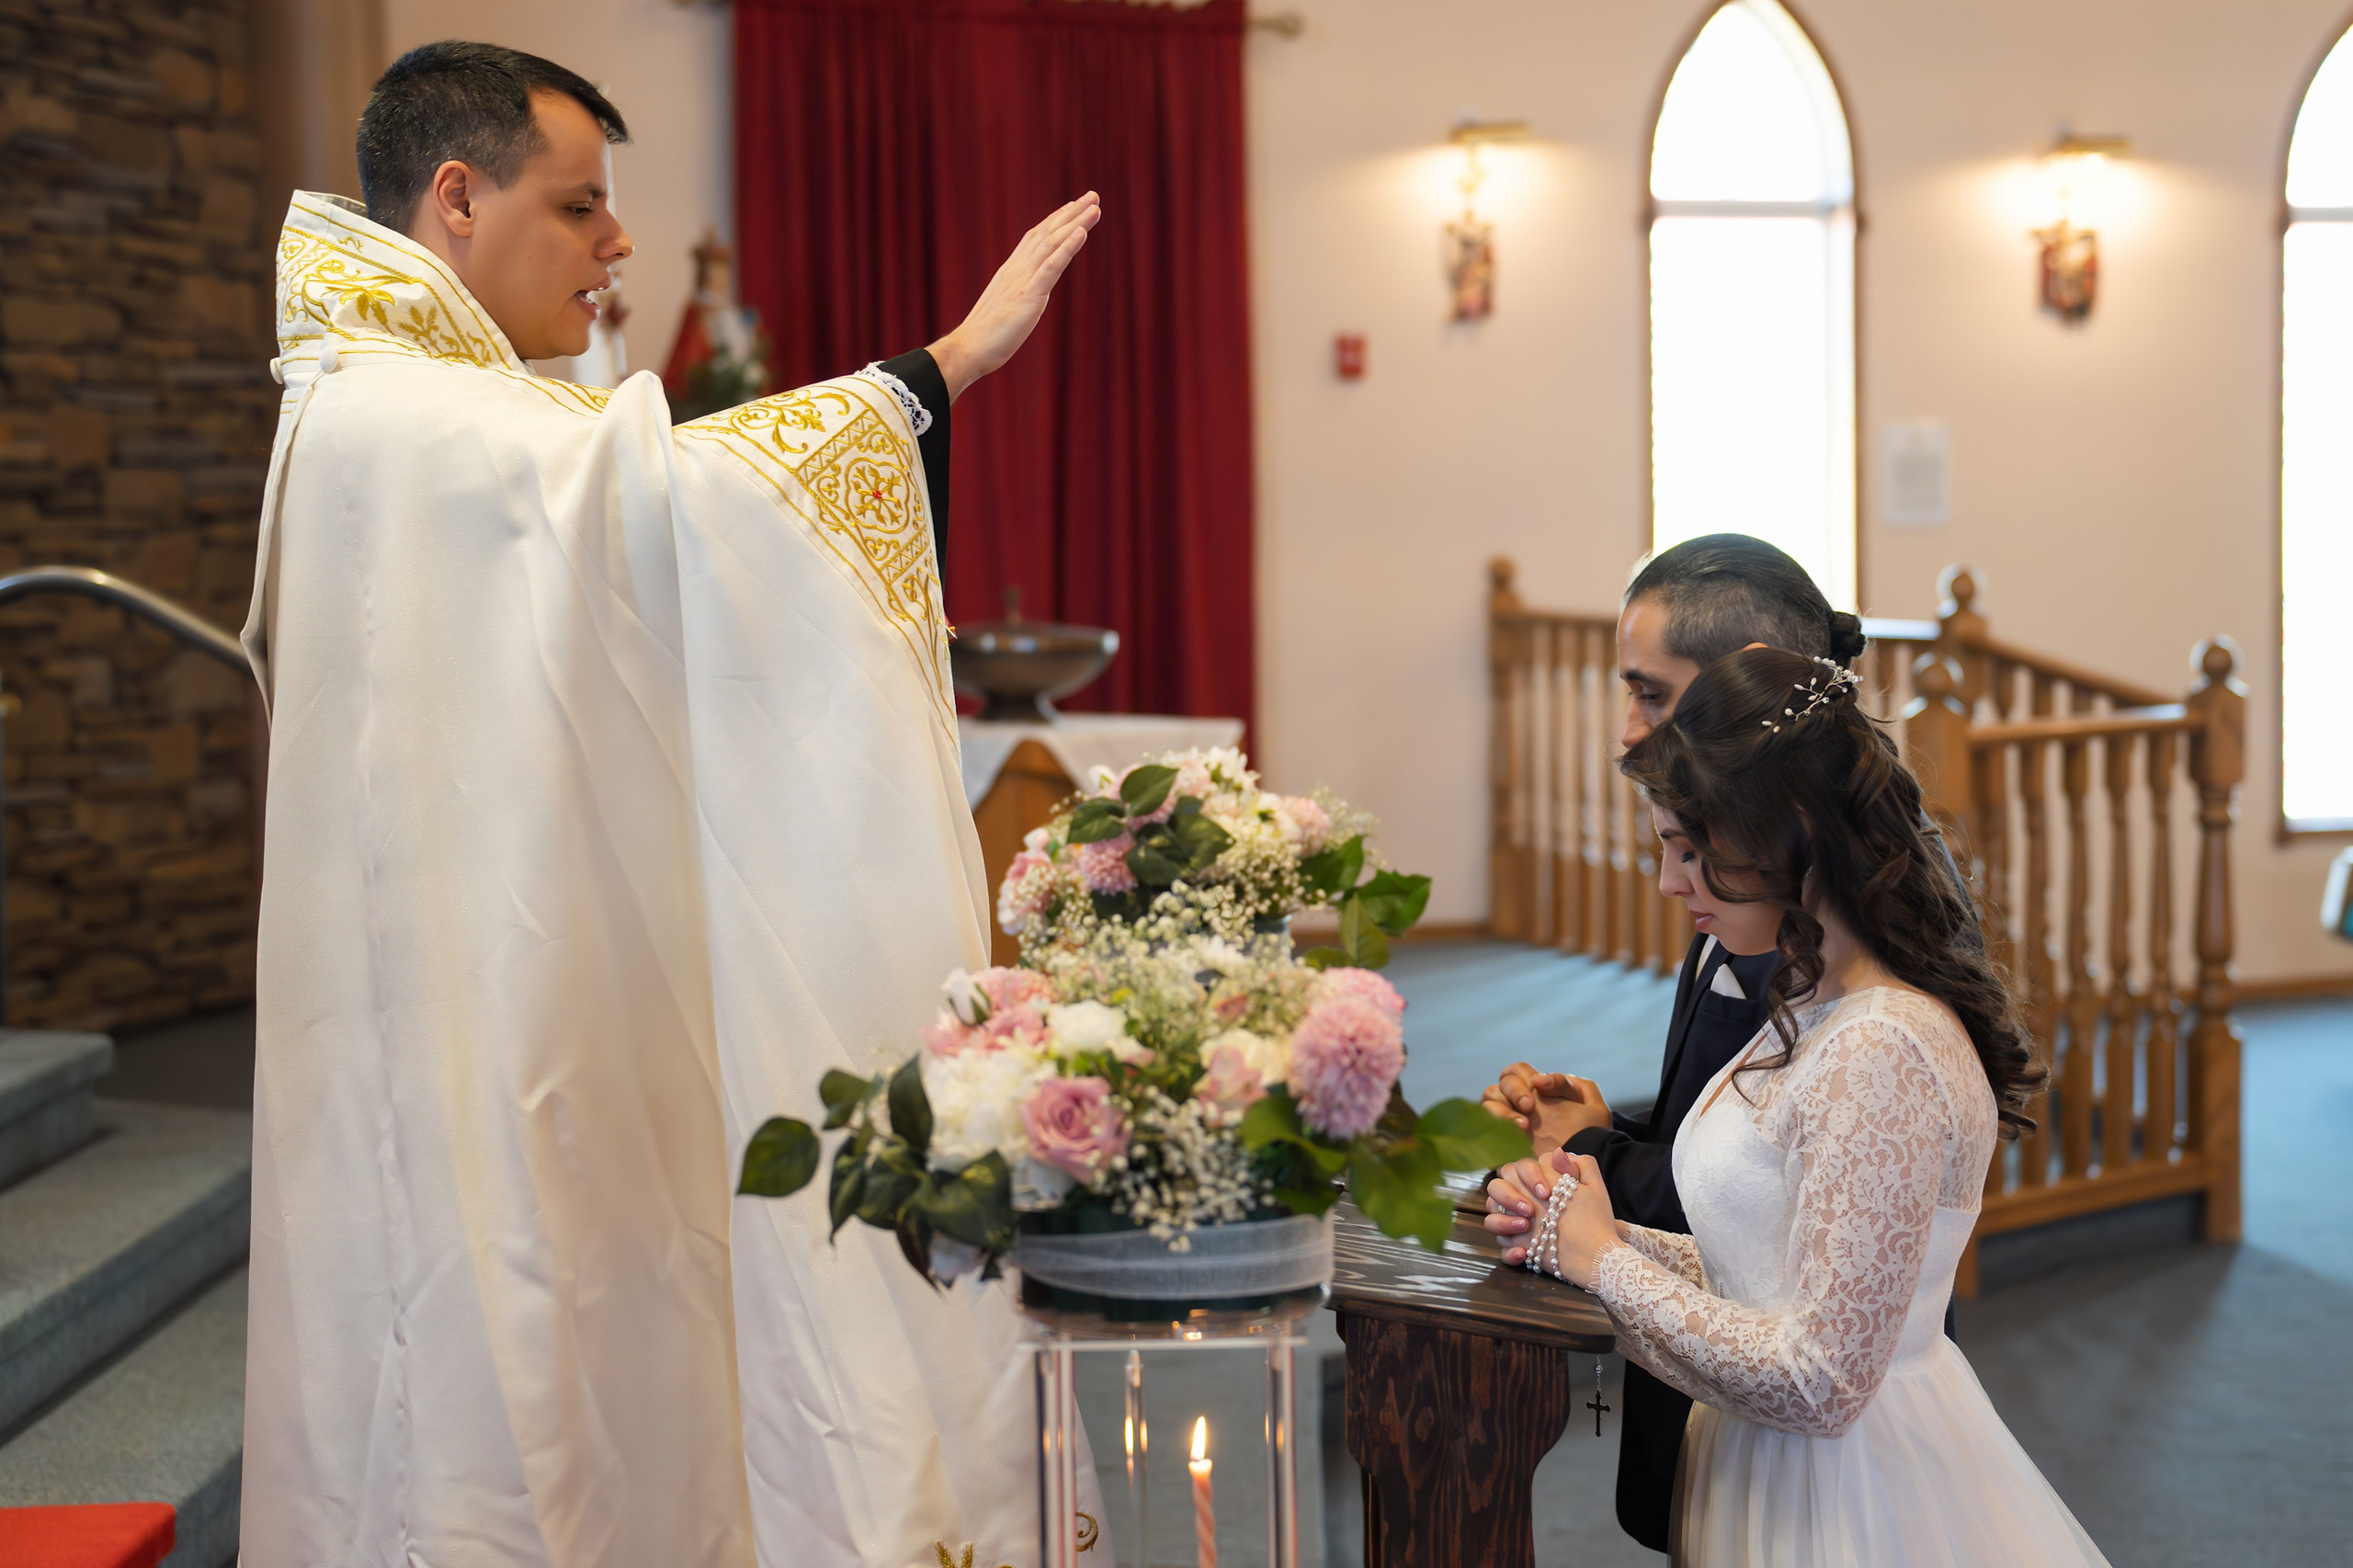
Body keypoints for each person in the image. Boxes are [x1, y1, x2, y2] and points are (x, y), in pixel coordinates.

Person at [240, 41, 1099, 1568]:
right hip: (465, 1027)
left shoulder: (396, 398)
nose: (618, 242)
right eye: (580, 206)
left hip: (490, 983)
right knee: (498, 1379)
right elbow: (673, 501)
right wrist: (940, 371)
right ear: (457, 199)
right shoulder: (406, 417)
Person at [1485, 646, 2108, 1566]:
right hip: (1765, 1459)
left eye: (1691, 850)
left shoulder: (1879, 1049)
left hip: (1845, 1493)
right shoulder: (1813, 999)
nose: (1669, 881)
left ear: (1794, 832)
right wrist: (1577, 1230)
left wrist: (1603, 1260)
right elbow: (1764, 1273)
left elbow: (1821, 1381)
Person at [1477, 533, 1873, 1552]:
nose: (1627, 728)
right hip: (1702, 1359)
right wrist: (1602, 1123)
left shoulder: (1832, 941)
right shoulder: (1733, 876)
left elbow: (1775, 1201)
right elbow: (1738, 1108)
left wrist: (1593, 1157)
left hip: (1799, 1413)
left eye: (1649, 693)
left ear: (1746, 682)